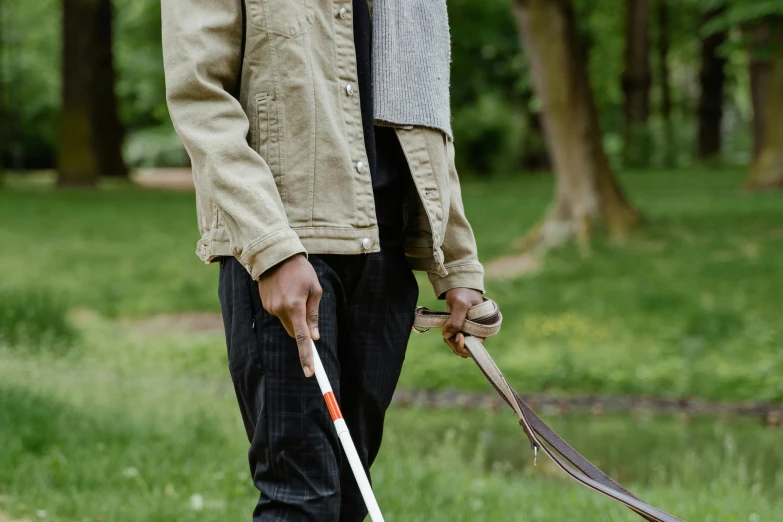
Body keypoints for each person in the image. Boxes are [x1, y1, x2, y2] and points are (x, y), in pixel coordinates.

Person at [162, 1, 491, 520]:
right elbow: (200, 97)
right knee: (301, 499)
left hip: (385, 255)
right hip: (286, 248)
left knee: (348, 501)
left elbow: (426, 112)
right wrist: (271, 249)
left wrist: (455, 262)